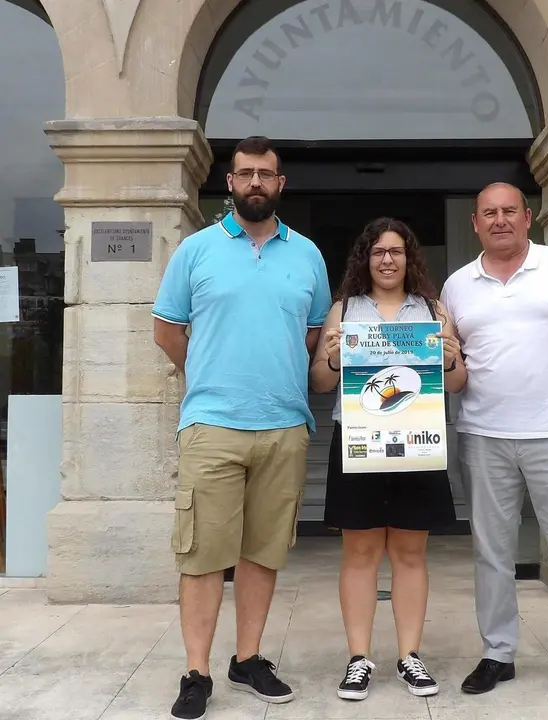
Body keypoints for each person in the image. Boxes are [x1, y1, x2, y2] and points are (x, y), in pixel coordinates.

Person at [153, 136, 332, 720]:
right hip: (212, 425)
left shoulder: (306, 254)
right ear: (229, 183)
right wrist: (211, 373)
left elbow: (313, 334)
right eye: (246, 173)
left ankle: (248, 658)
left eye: (267, 175)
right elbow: (168, 331)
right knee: (203, 554)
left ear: (281, 185)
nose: (256, 182)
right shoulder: (196, 251)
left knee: (263, 553)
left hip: (284, 424)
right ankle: (197, 671)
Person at [440, 183, 548, 703]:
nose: (500, 220)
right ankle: (498, 653)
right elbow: (454, 362)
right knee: (491, 552)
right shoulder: (457, 286)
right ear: (475, 222)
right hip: (483, 436)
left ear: (529, 217)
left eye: (509, 212)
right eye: (489, 213)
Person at [310, 218, 467, 701]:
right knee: (358, 553)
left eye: (396, 251)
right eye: (378, 251)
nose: (387, 259)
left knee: (409, 553)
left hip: (416, 442)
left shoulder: (433, 310)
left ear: (409, 258)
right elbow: (319, 383)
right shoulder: (345, 310)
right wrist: (333, 358)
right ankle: (359, 658)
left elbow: (458, 382)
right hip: (359, 441)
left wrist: (449, 357)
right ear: (365, 257)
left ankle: (409, 656)